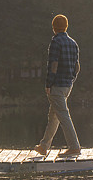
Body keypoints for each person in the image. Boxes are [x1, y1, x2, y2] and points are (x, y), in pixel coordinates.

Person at [34, 14, 81, 157]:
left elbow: (53, 65)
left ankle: (74, 147)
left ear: (53, 27)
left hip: (57, 85)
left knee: (63, 116)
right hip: (67, 85)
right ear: (66, 27)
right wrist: (72, 79)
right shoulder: (73, 43)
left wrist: (48, 83)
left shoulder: (55, 42)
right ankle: (44, 146)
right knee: (54, 116)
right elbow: (77, 66)